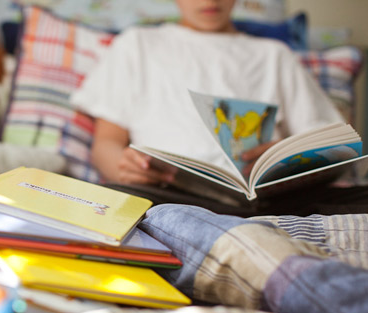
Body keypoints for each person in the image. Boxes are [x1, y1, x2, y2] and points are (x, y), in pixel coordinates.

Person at [70, 0, 345, 194]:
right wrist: (126, 171)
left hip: (264, 203)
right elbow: (107, 143)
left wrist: (287, 155)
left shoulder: (275, 55)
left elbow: (332, 146)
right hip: (168, 197)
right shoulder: (138, 44)